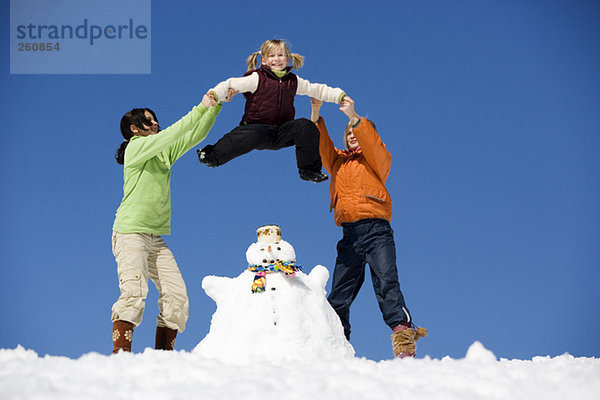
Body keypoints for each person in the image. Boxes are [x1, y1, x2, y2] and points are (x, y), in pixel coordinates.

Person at [111, 90, 233, 353]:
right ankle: (120, 360)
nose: (155, 123)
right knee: (134, 293)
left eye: (155, 119)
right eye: (147, 120)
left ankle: (163, 360)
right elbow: (175, 132)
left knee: (176, 296)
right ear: (134, 129)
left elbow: (194, 136)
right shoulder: (136, 148)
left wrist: (215, 107)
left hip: (154, 237)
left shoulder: (162, 154)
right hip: (130, 232)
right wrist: (200, 107)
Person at [310, 97, 427, 358]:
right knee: (339, 293)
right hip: (349, 235)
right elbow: (322, 146)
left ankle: (404, 336)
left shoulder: (376, 160)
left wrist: (354, 117)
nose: (352, 135)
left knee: (386, 282)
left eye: (356, 132)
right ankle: (337, 343)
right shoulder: (338, 162)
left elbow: (374, 144)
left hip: (377, 231)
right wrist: (316, 111)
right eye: (348, 133)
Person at [197, 39, 347, 183]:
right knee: (249, 134)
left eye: (281, 55)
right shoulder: (257, 78)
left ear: (287, 58)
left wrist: (339, 96)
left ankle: (309, 171)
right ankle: (211, 156)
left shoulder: (293, 82)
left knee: (305, 126)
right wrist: (215, 94)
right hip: (257, 129)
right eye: (272, 56)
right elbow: (231, 83)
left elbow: (317, 89)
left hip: (282, 131)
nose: (277, 59)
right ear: (263, 60)